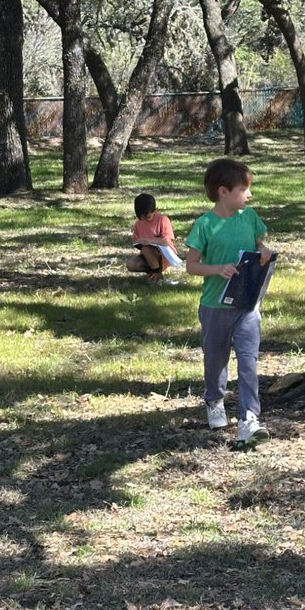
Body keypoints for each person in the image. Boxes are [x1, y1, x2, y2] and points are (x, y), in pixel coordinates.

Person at [185, 158, 273, 447]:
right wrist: (217, 268)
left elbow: (261, 243)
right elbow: (191, 266)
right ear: (223, 192)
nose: (249, 195)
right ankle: (214, 400)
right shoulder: (205, 225)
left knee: (248, 362)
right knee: (215, 360)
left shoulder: (249, 218)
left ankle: (250, 419)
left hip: (247, 305)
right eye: (243, 189)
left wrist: (263, 251)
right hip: (214, 307)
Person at [126, 192, 177, 283]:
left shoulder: (163, 220)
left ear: (155, 210)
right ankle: (153, 272)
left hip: (165, 256)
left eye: (148, 217)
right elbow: (136, 240)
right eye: (141, 217)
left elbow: (167, 242)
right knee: (130, 264)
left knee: (146, 249)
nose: (144, 220)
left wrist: (150, 241)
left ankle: (157, 274)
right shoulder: (139, 223)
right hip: (148, 256)